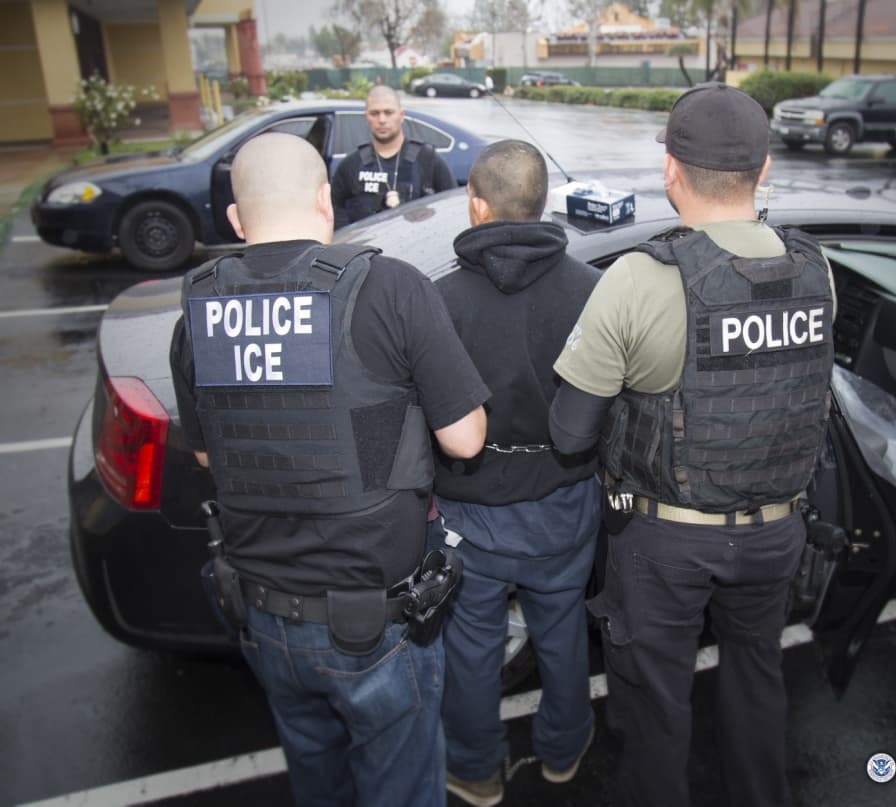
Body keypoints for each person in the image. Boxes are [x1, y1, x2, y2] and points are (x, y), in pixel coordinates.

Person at [169, 131, 489, 807]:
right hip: (373, 622)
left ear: (236, 219)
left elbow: (206, 456)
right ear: (325, 201)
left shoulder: (199, 312)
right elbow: (465, 440)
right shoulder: (389, 288)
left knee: (318, 783)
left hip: (264, 615)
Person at [548, 83, 837, 807]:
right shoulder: (817, 270)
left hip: (666, 542)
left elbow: (569, 431)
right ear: (764, 170)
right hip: (778, 531)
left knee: (656, 708)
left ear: (670, 170)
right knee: (758, 677)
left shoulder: (640, 278)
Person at [430, 139, 603, 807]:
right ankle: (564, 750)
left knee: (471, 648)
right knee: (561, 631)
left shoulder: (439, 300)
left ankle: (476, 770)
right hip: (563, 499)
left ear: (477, 206)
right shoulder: (592, 290)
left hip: (469, 511)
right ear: (542, 203)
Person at [331, 85, 456, 226]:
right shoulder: (351, 165)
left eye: (388, 112)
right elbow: (335, 212)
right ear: (366, 117)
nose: (382, 120)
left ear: (401, 116)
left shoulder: (427, 160)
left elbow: (451, 208)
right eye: (374, 113)